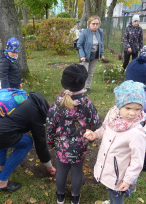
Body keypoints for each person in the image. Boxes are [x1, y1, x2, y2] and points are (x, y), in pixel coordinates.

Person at [0, 92, 56, 193]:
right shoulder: (37, 115)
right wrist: (49, 166)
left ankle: (0, 168)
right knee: (27, 143)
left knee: (6, 129)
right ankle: (1, 183)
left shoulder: (20, 96)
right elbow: (40, 144)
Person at [84, 80, 146, 204]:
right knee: (110, 190)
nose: (132, 113)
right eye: (128, 107)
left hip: (119, 176)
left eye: (137, 109)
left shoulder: (136, 133)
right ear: (119, 105)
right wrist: (96, 134)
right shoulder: (113, 115)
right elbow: (104, 128)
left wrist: (128, 180)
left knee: (116, 195)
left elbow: (137, 161)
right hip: (108, 168)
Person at [47, 64, 100, 204]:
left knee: (62, 170)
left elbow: (50, 124)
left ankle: (60, 196)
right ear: (83, 82)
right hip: (80, 146)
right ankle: (75, 198)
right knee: (77, 171)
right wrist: (91, 136)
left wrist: (51, 142)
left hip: (61, 146)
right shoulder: (87, 102)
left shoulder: (58, 102)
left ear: (64, 82)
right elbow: (96, 121)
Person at [125, 53, 146, 185]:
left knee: (130, 159)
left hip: (133, 133)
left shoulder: (131, 94)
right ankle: (132, 184)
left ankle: (128, 183)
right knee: (138, 158)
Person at [77, 15, 104, 93]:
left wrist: (102, 54)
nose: (95, 26)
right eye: (93, 24)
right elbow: (79, 45)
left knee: (91, 73)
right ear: (89, 24)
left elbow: (101, 44)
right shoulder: (84, 32)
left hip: (95, 55)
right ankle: (80, 87)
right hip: (85, 56)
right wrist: (82, 55)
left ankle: (87, 87)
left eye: (97, 24)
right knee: (84, 73)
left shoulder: (100, 32)